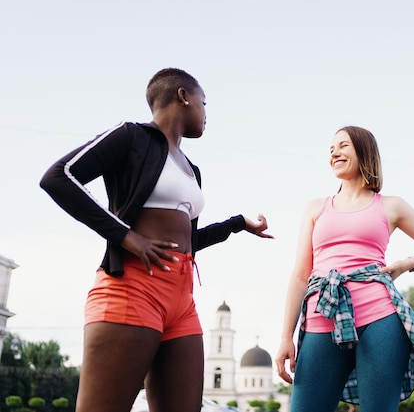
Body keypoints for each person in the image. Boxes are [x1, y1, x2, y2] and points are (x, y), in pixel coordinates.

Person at [40, 68, 273, 412]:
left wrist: (237, 224)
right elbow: (58, 177)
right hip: (132, 288)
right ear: (183, 96)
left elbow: (188, 242)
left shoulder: (192, 170)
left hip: (181, 299)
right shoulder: (131, 136)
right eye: (204, 103)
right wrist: (127, 237)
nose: (206, 114)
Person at [275, 126, 414, 412]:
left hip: (380, 318)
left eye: (343, 145)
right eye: (331, 148)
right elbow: (301, 275)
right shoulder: (315, 208)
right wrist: (286, 337)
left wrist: (409, 263)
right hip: (321, 317)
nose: (334, 152)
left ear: (364, 151)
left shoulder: (391, 206)